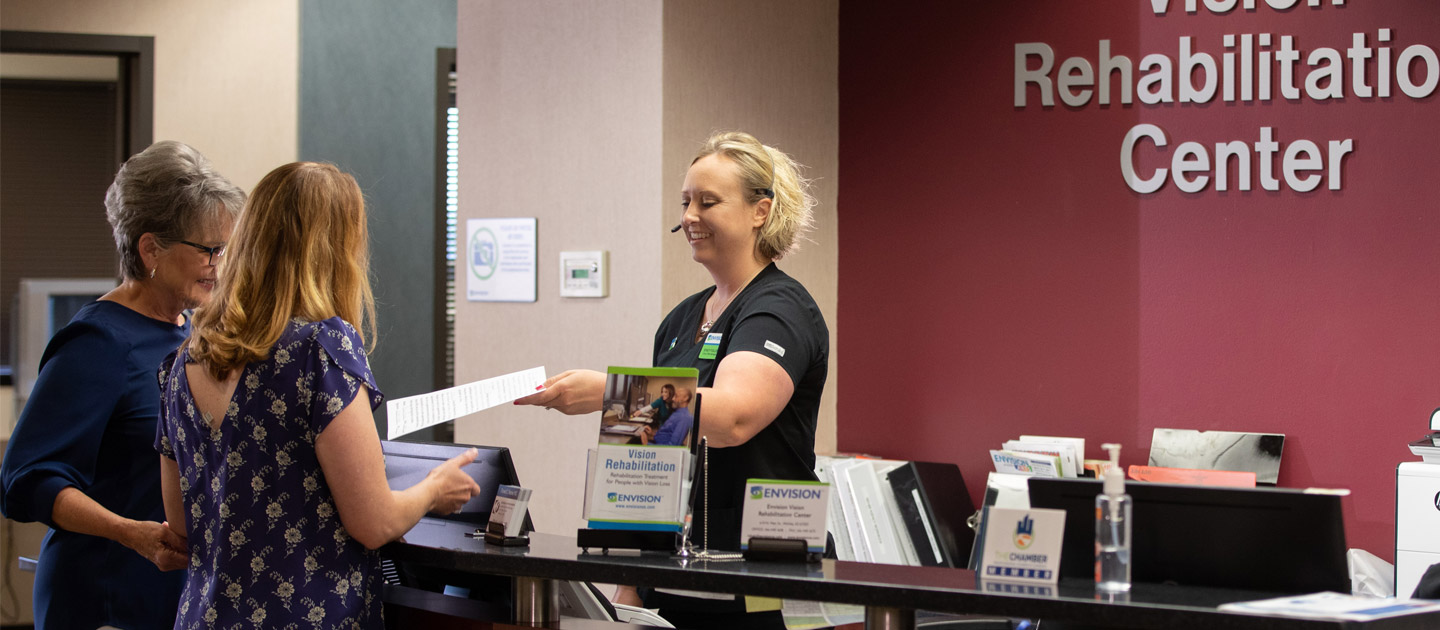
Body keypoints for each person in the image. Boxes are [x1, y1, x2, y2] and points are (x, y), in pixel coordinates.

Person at [517, 131, 828, 629]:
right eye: (685, 202)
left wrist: (611, 392)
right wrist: (629, 582)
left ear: (760, 211)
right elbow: (652, 455)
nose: (689, 217)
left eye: (708, 202)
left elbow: (733, 418)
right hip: (673, 573)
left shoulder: (780, 310)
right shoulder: (681, 320)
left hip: (760, 573)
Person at [155, 162, 481, 629]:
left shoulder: (180, 364)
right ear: (335, 249)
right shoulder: (320, 350)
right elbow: (372, 523)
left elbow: (182, 526)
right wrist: (433, 489)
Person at [0, 141, 245, 629]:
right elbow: (24, 481)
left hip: (172, 594)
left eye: (226, 249)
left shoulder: (187, 328)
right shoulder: (96, 343)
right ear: (150, 248)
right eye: (208, 250)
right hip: (106, 599)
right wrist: (131, 533)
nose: (220, 264)